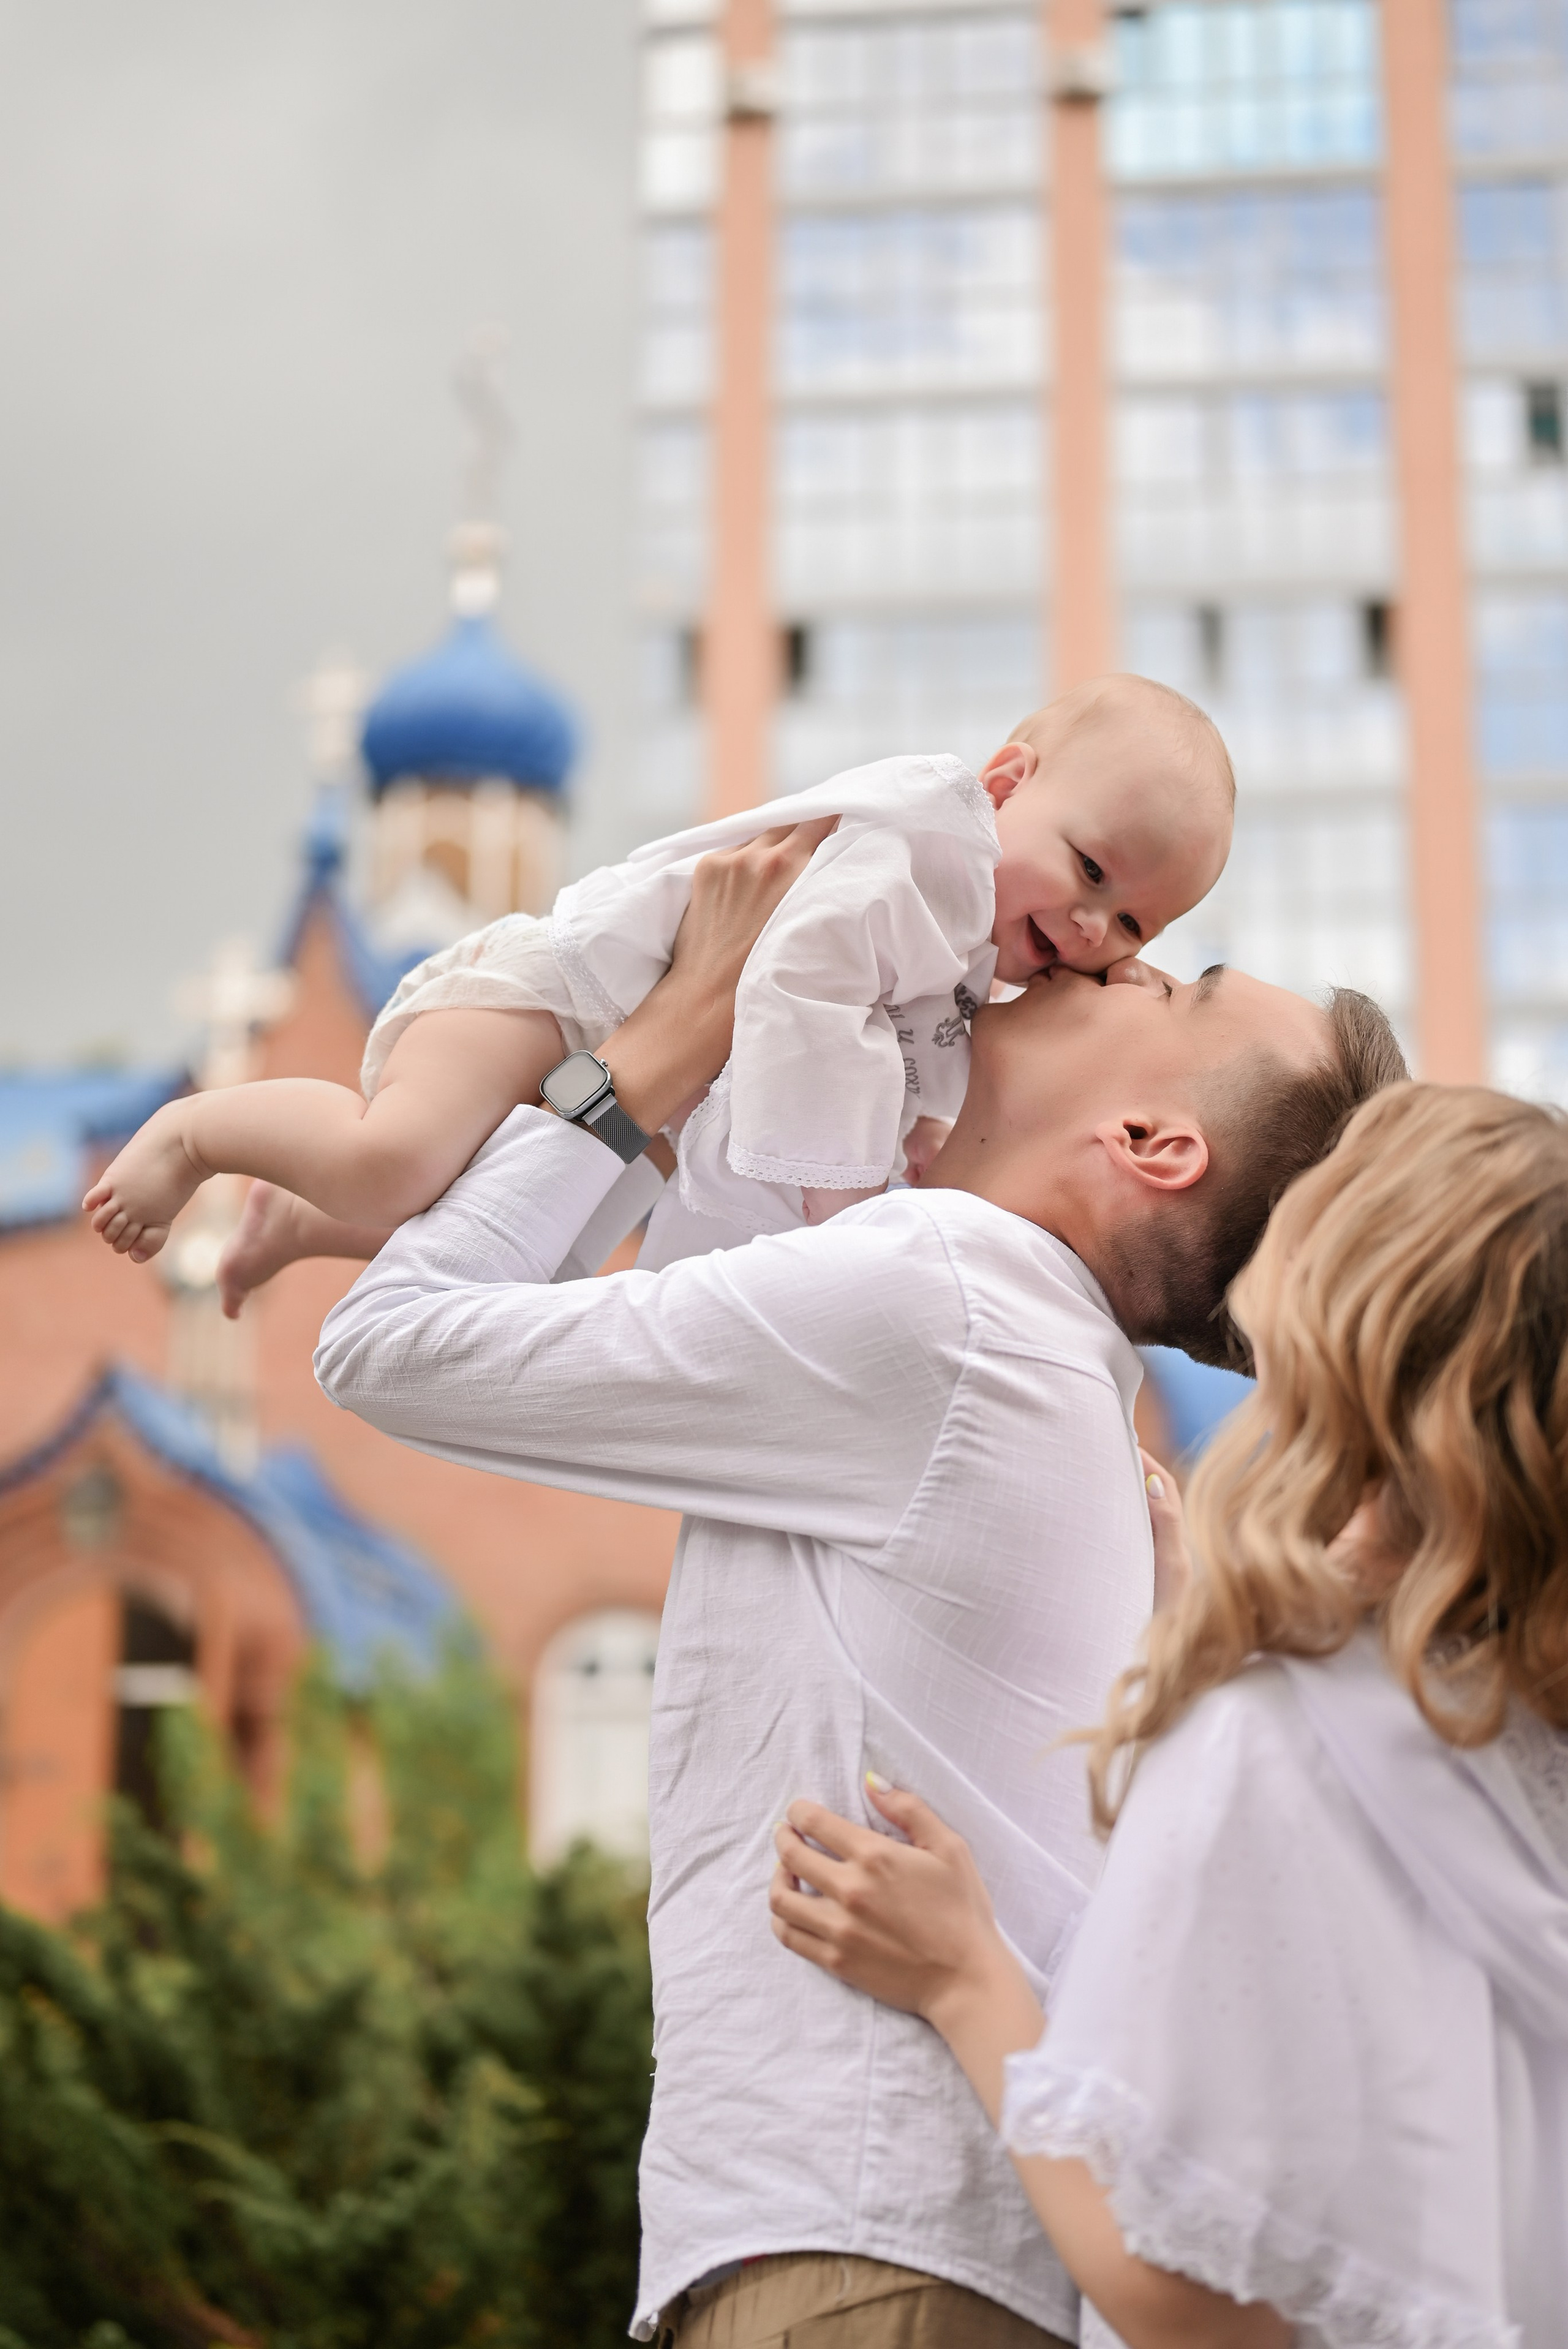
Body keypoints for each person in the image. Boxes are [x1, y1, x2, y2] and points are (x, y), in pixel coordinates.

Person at [312, 821, 1407, 2347]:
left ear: (1154, 1144)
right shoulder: (1008, 1346)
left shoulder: (942, 1301)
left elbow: (389, 1342)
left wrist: (661, 1039)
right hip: (902, 2246)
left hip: (860, 2255)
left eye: (1171, 988)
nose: (1116, 954)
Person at [769, 1080, 1568, 2349]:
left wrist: (967, 1977)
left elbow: (1187, 2301)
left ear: (1328, 1317)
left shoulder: (1271, 1737)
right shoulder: (1513, 1720)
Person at [82, 675, 1232, 1303]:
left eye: (1131, 922)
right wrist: (841, 1189)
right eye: (1087, 871)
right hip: (553, 998)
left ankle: (299, 1225)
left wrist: (1089, 997)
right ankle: (195, 1135)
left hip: (631, 1075)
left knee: (533, 1249)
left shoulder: (979, 945)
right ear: (1005, 783)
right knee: (398, 1157)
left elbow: (936, 1059)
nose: (1089, 926)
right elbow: (800, 979)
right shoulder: (919, 857)